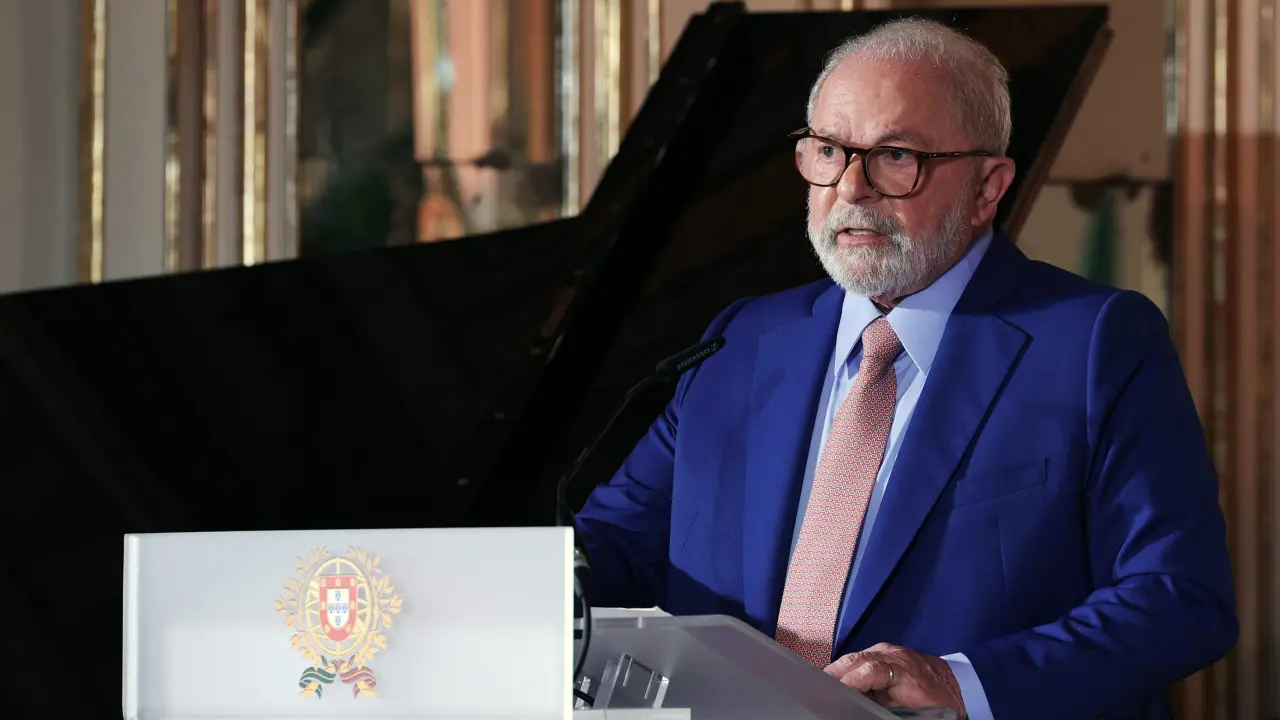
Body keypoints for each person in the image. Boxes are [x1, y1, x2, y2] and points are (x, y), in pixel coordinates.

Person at [573, 16, 1237, 720]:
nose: (851, 187)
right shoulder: (742, 339)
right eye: (829, 150)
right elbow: (613, 544)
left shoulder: (1096, 343)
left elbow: (1178, 596)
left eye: (895, 155)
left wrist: (963, 684)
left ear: (988, 188)